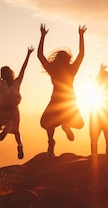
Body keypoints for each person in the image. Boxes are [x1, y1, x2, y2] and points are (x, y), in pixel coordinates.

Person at [37, 23, 86, 156]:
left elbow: (40, 55)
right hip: (70, 102)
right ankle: (66, 124)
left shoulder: (53, 70)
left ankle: (51, 140)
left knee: (46, 123)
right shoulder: (72, 69)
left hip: (56, 101)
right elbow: (81, 54)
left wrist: (42, 36)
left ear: (57, 59)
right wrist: (81, 36)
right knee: (80, 124)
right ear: (68, 60)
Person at [0, 43, 33, 160]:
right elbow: (23, 69)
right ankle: (19, 144)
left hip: (1, 111)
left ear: (2, 75)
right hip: (13, 111)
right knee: (16, 132)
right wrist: (28, 55)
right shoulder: (17, 82)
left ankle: (5, 126)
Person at [89, 61, 108, 157]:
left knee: (98, 141)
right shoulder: (107, 84)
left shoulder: (97, 85)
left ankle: (97, 159)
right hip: (102, 116)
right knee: (107, 141)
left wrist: (102, 71)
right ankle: (104, 159)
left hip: (97, 116)